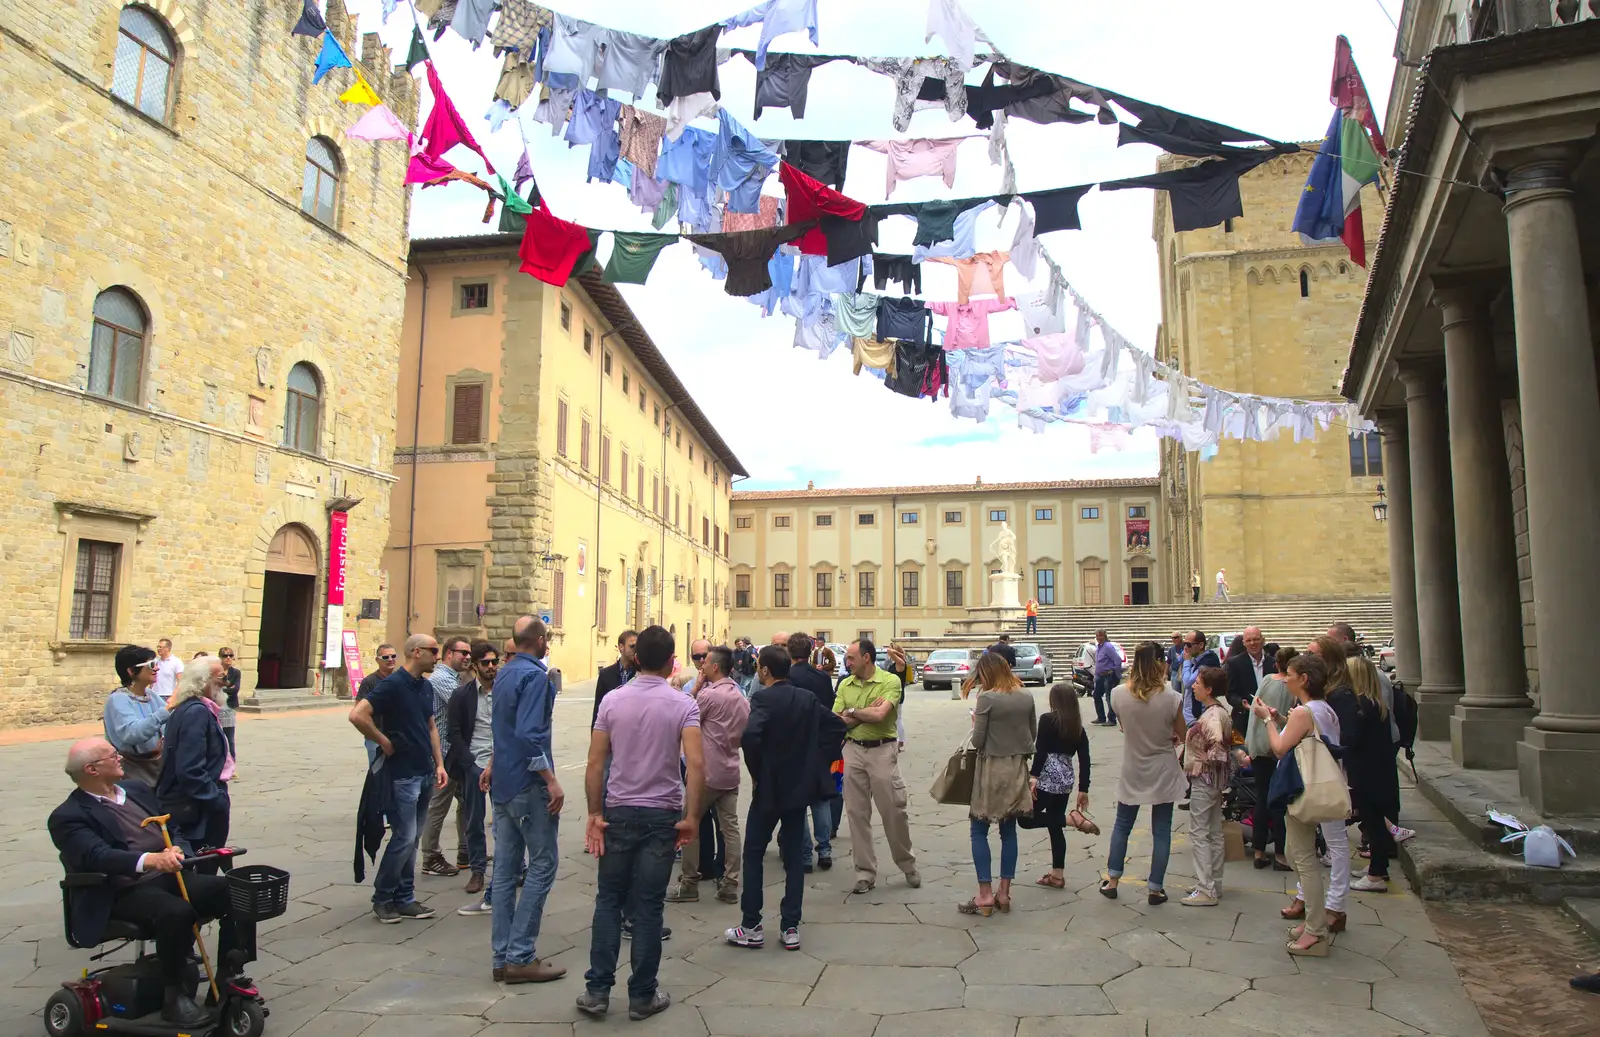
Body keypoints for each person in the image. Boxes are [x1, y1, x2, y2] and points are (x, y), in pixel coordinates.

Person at [49, 738, 247, 1026]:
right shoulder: (68, 816)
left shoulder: (137, 790)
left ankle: (228, 975)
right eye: (112, 755)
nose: (120, 758)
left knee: (235, 890)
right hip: (121, 889)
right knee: (176, 912)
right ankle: (173, 996)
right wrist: (149, 860)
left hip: (167, 875)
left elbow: (172, 826)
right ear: (92, 769)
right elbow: (97, 856)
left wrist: (178, 848)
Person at [578, 625, 702, 1021]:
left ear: (634, 658)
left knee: (608, 901)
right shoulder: (683, 704)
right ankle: (642, 995)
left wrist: (595, 814)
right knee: (649, 907)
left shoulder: (612, 701)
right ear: (671, 663)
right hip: (661, 813)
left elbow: (595, 762)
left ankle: (597, 990)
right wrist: (691, 817)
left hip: (618, 810)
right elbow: (696, 765)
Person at [725, 645, 848, 950]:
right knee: (794, 857)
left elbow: (751, 736)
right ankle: (790, 926)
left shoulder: (763, 698)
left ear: (765, 670)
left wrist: (758, 770)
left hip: (770, 787)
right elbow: (835, 725)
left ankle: (751, 924)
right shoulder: (805, 698)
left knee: (754, 852)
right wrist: (818, 758)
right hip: (798, 788)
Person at [347, 634, 447, 925]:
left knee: (412, 839)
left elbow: (431, 727)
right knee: (403, 837)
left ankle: (404, 897)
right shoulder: (392, 685)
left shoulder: (425, 686)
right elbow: (358, 715)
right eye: (433, 651)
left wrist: (439, 764)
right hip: (401, 774)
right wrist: (383, 741)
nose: (437, 656)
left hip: (424, 771)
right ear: (416, 652)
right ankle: (383, 898)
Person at [488, 617, 566, 983]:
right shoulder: (536, 677)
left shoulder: (504, 673)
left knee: (504, 871)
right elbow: (530, 733)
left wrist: (492, 762)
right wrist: (550, 780)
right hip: (525, 783)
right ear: (539, 640)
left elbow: (501, 726)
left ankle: (502, 955)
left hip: (503, 782)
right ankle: (520, 955)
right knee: (543, 864)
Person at [1252, 652, 1339, 957]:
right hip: (1316, 787)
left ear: (1303, 679)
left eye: (1289, 674)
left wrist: (1267, 722)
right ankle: (1314, 921)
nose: (1285, 678)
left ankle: (1315, 930)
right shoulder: (1320, 708)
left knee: (1302, 858)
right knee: (1301, 855)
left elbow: (1279, 748)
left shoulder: (1304, 712)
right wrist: (1278, 718)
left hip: (1301, 790)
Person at [1102, 642, 1186, 906]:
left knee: (1122, 825)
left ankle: (1113, 879)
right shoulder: (1172, 697)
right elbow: (1183, 735)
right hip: (1162, 766)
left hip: (1134, 765)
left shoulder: (1118, 694)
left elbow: (1125, 728)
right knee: (1161, 830)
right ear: (1160, 663)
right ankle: (1155, 887)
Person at [836, 638, 920, 894]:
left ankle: (907, 865)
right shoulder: (844, 684)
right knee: (856, 814)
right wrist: (860, 712)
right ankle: (864, 872)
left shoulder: (890, 681)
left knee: (894, 811)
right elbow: (838, 721)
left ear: (866, 658)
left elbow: (880, 715)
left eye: (851, 658)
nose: (846, 662)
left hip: (883, 750)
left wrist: (853, 712)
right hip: (853, 751)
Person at [668, 646, 749, 905]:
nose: (701, 666)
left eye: (706, 663)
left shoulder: (709, 696)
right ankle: (730, 883)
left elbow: (683, 717)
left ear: (715, 667)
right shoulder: (739, 695)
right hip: (729, 769)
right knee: (730, 828)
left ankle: (689, 882)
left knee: (689, 823)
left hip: (705, 772)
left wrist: (695, 688)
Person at [958, 653, 1036, 917]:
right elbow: (1032, 735)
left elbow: (978, 740)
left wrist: (974, 720)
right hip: (1016, 769)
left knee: (979, 830)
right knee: (1009, 831)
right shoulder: (1026, 696)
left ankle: (984, 895)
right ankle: (1004, 892)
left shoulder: (987, 698)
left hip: (991, 769)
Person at [156, 655, 233, 855]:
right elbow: (190, 769)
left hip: (197, 803)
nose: (224, 684)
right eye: (220, 679)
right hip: (197, 808)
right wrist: (216, 799)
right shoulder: (196, 712)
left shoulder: (193, 708)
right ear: (203, 681)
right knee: (204, 863)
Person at [1017, 684, 1092, 890]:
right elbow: (1085, 760)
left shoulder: (1048, 720)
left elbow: (1040, 750)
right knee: (1054, 826)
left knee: (1024, 818)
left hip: (1047, 778)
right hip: (1066, 779)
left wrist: (1033, 776)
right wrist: (1083, 789)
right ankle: (1057, 875)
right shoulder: (1077, 727)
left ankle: (1071, 819)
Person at [1300, 635, 1352, 932]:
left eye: (1313, 654)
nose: (1307, 657)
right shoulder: (1318, 694)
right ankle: (1304, 896)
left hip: (1328, 776)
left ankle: (1336, 904)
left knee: (1334, 842)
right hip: (1312, 775)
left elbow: (1344, 739)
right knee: (1306, 843)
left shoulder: (1339, 695)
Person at [1181, 667, 1243, 907]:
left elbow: (1217, 747)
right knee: (1213, 831)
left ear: (1208, 689)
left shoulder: (1213, 715)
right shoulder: (1217, 711)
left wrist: (1200, 760)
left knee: (1200, 832)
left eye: (1197, 683)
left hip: (1205, 779)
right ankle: (1211, 882)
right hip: (1214, 780)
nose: (1194, 686)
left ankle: (1206, 887)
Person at [1344, 653, 1400, 894]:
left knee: (1374, 823)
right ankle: (1378, 868)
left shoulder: (1364, 706)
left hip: (1370, 774)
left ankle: (1375, 875)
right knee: (1375, 823)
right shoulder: (1375, 703)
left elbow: (1353, 740)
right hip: (1379, 772)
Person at [446, 641, 498, 898]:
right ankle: (477, 870)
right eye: (486, 663)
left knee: (506, 819)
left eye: (494, 662)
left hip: (501, 763)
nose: (491, 667)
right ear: (475, 666)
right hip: (475, 764)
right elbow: (453, 733)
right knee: (474, 820)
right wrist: (468, 762)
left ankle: (512, 867)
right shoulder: (462, 695)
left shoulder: (505, 692)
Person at [784, 633, 836, 872]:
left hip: (793, 745)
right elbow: (831, 709)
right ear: (811, 650)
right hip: (819, 744)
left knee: (797, 803)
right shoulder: (823, 678)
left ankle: (805, 855)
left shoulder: (786, 678)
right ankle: (824, 850)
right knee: (820, 799)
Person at [422, 637, 471, 877]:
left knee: (466, 800)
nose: (468, 657)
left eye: (470, 653)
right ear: (448, 653)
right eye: (463, 653)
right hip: (444, 755)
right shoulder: (441, 679)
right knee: (438, 806)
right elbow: (466, 706)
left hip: (456, 754)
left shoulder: (453, 678)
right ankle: (430, 856)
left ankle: (466, 850)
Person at [1246, 645, 1298, 872]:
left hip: (1260, 744)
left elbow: (1254, 714)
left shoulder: (1267, 680)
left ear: (1276, 663)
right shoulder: (1293, 687)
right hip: (1282, 744)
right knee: (1280, 801)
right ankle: (1281, 854)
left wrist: (1251, 743)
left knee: (1261, 799)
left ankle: (1258, 852)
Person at [104, 645, 170, 787]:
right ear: (131, 671)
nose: (157, 668)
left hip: (155, 770)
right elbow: (133, 734)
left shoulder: (151, 695)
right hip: (132, 773)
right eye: (151, 665)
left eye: (156, 663)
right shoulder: (118, 699)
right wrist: (167, 709)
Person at [1224, 626, 1274, 736]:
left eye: (1256, 639)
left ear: (1263, 640)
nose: (1252, 643)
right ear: (1244, 643)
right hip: (1244, 721)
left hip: (1271, 718)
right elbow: (1230, 693)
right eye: (1248, 640)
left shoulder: (1273, 663)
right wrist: (1241, 703)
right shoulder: (1234, 663)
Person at [593, 630, 638, 728]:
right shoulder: (606, 674)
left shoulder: (640, 674)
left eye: (638, 647)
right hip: (611, 728)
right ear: (621, 647)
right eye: (632, 646)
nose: (635, 650)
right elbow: (598, 707)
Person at [1180, 631, 1222, 726]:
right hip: (1191, 715)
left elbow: (1188, 683)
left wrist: (1186, 661)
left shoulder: (1209, 660)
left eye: (1188, 645)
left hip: (1198, 716)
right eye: (1184, 644)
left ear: (1201, 645)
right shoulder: (1195, 660)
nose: (1186, 648)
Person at [1090, 629, 1123, 727]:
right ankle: (1101, 717)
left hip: (1109, 675)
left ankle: (1112, 719)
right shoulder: (1099, 647)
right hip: (1100, 675)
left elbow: (1117, 660)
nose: (1098, 638)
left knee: (1109, 698)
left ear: (1105, 636)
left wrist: (1114, 672)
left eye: (1100, 636)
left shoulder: (1108, 647)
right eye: (1097, 636)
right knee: (1096, 695)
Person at [217, 648, 241, 757]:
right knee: (216, 737)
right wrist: (228, 686)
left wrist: (222, 688)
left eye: (230, 656)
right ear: (220, 658)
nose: (228, 658)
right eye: (225, 656)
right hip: (216, 705)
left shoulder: (235, 672)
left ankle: (232, 764)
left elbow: (235, 689)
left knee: (230, 738)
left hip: (229, 706)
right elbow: (213, 688)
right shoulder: (216, 671)